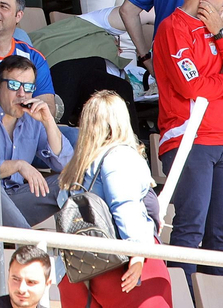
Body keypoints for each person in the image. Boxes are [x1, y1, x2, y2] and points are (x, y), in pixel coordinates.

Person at [151, 0, 223, 277]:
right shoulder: (172, 27)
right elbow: (191, 86)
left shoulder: (217, 29)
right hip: (187, 141)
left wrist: (222, 34)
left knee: (221, 236)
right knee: (189, 231)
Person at [55, 91, 173, 308]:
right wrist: (138, 254)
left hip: (76, 270)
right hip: (120, 266)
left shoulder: (75, 166)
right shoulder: (119, 155)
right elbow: (123, 204)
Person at [0, 54, 70, 227]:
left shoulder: (33, 116)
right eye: (14, 85)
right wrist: (17, 165)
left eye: (28, 87)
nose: (22, 94)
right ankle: (29, 243)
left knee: (71, 183)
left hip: (16, 197)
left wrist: (48, 121)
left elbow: (66, 165)